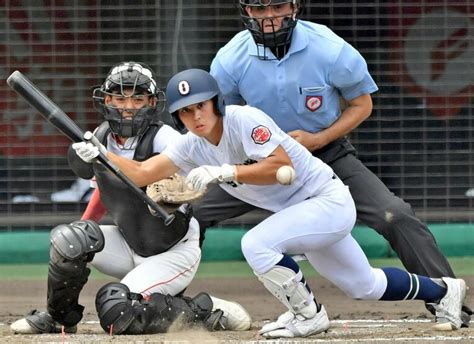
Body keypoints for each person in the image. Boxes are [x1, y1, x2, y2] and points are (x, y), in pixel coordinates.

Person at [71, 69, 466, 338]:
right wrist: (100, 155)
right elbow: (141, 173)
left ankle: (308, 316)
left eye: (201, 106)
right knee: (365, 285)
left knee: (256, 244)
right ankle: (443, 290)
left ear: (217, 104)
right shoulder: (190, 145)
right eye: (185, 111)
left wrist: (227, 173)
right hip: (301, 214)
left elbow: (280, 165)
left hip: (326, 200)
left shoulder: (246, 120)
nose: (195, 116)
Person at [194, 0, 472, 325]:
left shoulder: (328, 48)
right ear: (246, 12)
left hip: (325, 154)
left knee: (394, 215)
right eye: (259, 9)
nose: (270, 16)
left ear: (294, 6)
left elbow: (361, 103)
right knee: (191, 215)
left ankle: (447, 298)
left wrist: (318, 139)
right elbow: (220, 120)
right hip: (263, 165)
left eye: (278, 6)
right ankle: (172, 308)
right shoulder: (229, 60)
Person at [10, 62, 251, 335]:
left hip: (171, 250)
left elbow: (190, 179)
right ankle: (59, 318)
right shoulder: (100, 138)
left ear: (151, 102)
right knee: (70, 240)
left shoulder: (164, 138)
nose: (128, 105)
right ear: (107, 99)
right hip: (129, 242)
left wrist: (173, 187)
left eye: (137, 99)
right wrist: (81, 232)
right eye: (120, 97)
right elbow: (103, 189)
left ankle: (204, 310)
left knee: (116, 311)